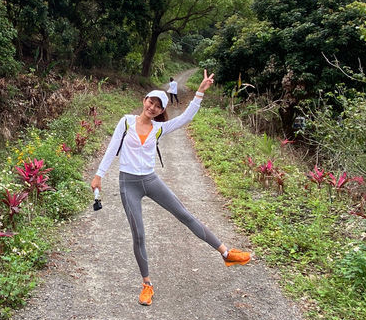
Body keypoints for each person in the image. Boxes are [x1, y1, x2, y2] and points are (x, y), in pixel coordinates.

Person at [90, 71, 250, 306]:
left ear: (161, 110)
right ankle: (147, 285)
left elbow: (185, 118)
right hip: (128, 183)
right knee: (139, 234)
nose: (152, 107)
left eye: (158, 106)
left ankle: (226, 254)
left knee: (185, 214)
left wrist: (200, 92)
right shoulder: (125, 122)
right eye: (150, 102)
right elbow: (112, 147)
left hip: (151, 180)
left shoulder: (159, 129)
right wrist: (98, 175)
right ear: (144, 100)